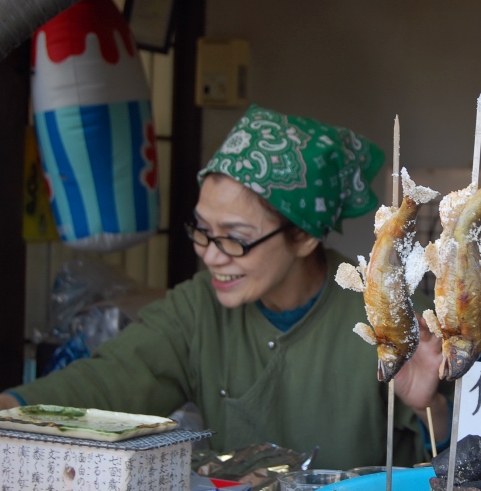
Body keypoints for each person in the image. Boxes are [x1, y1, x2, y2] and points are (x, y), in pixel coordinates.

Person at [0, 105, 450, 470]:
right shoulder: (198, 310)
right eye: (201, 230)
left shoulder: (392, 318)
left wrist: (429, 404)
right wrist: (11, 407)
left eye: (234, 238)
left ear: (304, 236)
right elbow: (109, 380)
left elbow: (459, 469)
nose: (211, 255)